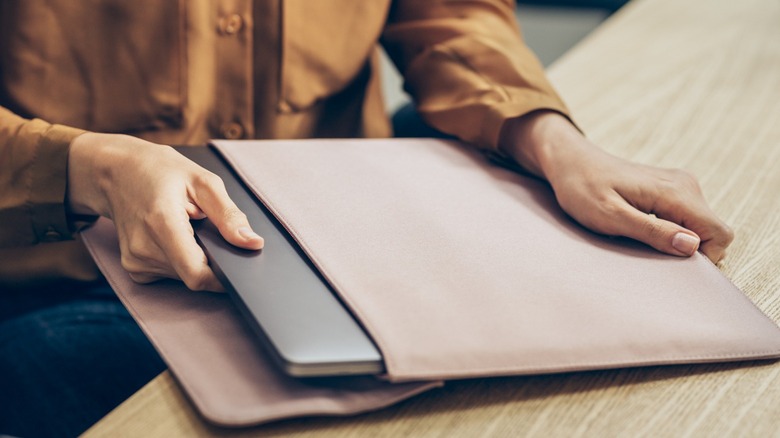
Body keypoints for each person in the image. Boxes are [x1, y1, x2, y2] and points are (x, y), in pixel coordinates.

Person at [0, 1, 733, 436]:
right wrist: (83, 168)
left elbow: (448, 15)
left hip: (341, 226)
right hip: (61, 270)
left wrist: (548, 139)